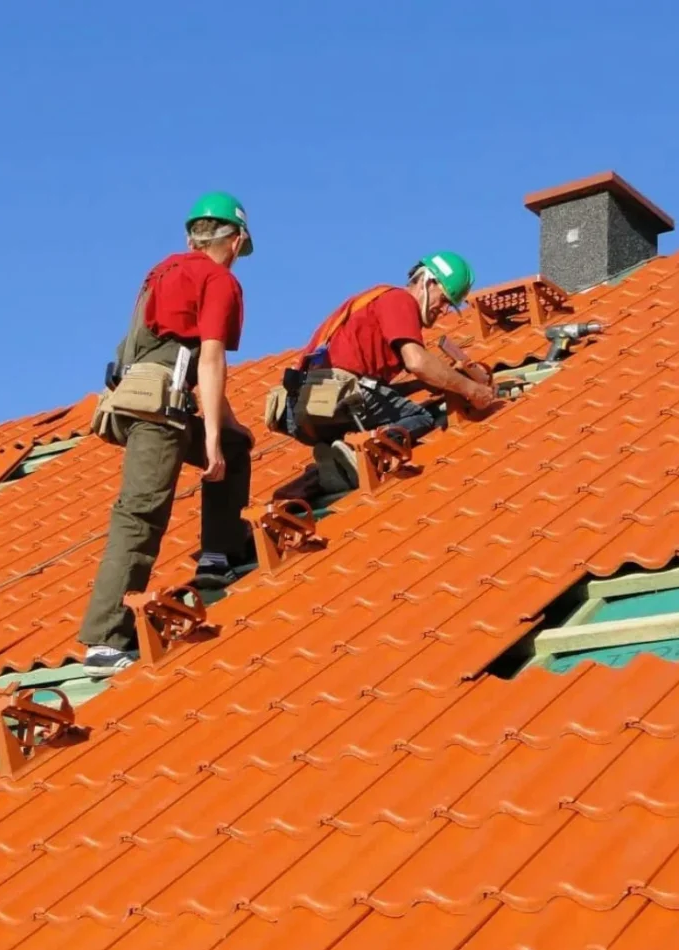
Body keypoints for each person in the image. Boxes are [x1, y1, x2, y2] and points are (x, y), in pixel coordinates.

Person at [79, 191, 258, 677]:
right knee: (140, 513)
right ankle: (105, 639)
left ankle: (216, 555)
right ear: (236, 239)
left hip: (141, 399)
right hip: (162, 412)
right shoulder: (218, 280)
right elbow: (210, 359)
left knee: (239, 448)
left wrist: (229, 431)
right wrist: (213, 436)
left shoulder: (161, 272)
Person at [276, 251, 497, 493]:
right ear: (427, 282)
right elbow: (417, 362)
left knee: (377, 401)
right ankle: (360, 452)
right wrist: (472, 389)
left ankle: (333, 456)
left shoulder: (373, 304)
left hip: (301, 409)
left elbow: (374, 390)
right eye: (444, 300)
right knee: (421, 417)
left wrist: (420, 386)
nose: (443, 312)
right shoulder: (400, 300)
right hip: (340, 396)